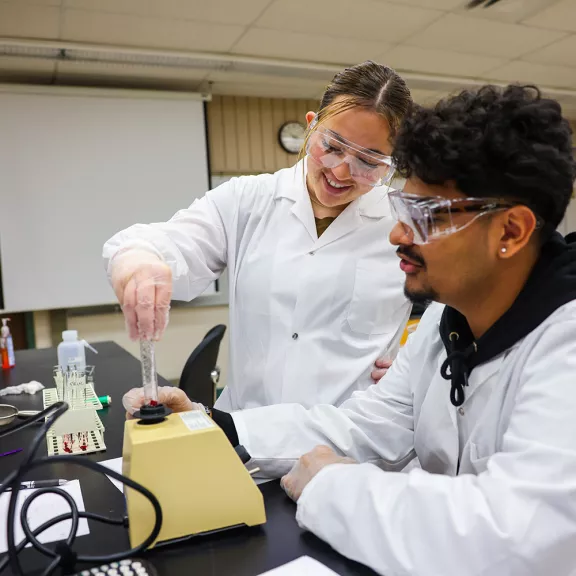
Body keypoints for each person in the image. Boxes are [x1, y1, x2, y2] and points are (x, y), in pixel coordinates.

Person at [124, 84, 576, 575]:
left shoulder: (564, 343)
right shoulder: (447, 323)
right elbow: (367, 424)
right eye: (403, 209)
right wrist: (217, 425)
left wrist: (331, 485)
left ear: (510, 231)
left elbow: (515, 536)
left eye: (423, 217)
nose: (398, 235)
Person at [104, 61, 413, 411]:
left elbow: (462, 309)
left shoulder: (405, 223)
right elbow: (161, 243)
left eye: (369, 162)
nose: (341, 171)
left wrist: (420, 365)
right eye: (333, 146)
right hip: (245, 438)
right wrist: (138, 262)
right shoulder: (246, 200)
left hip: (353, 446)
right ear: (312, 127)